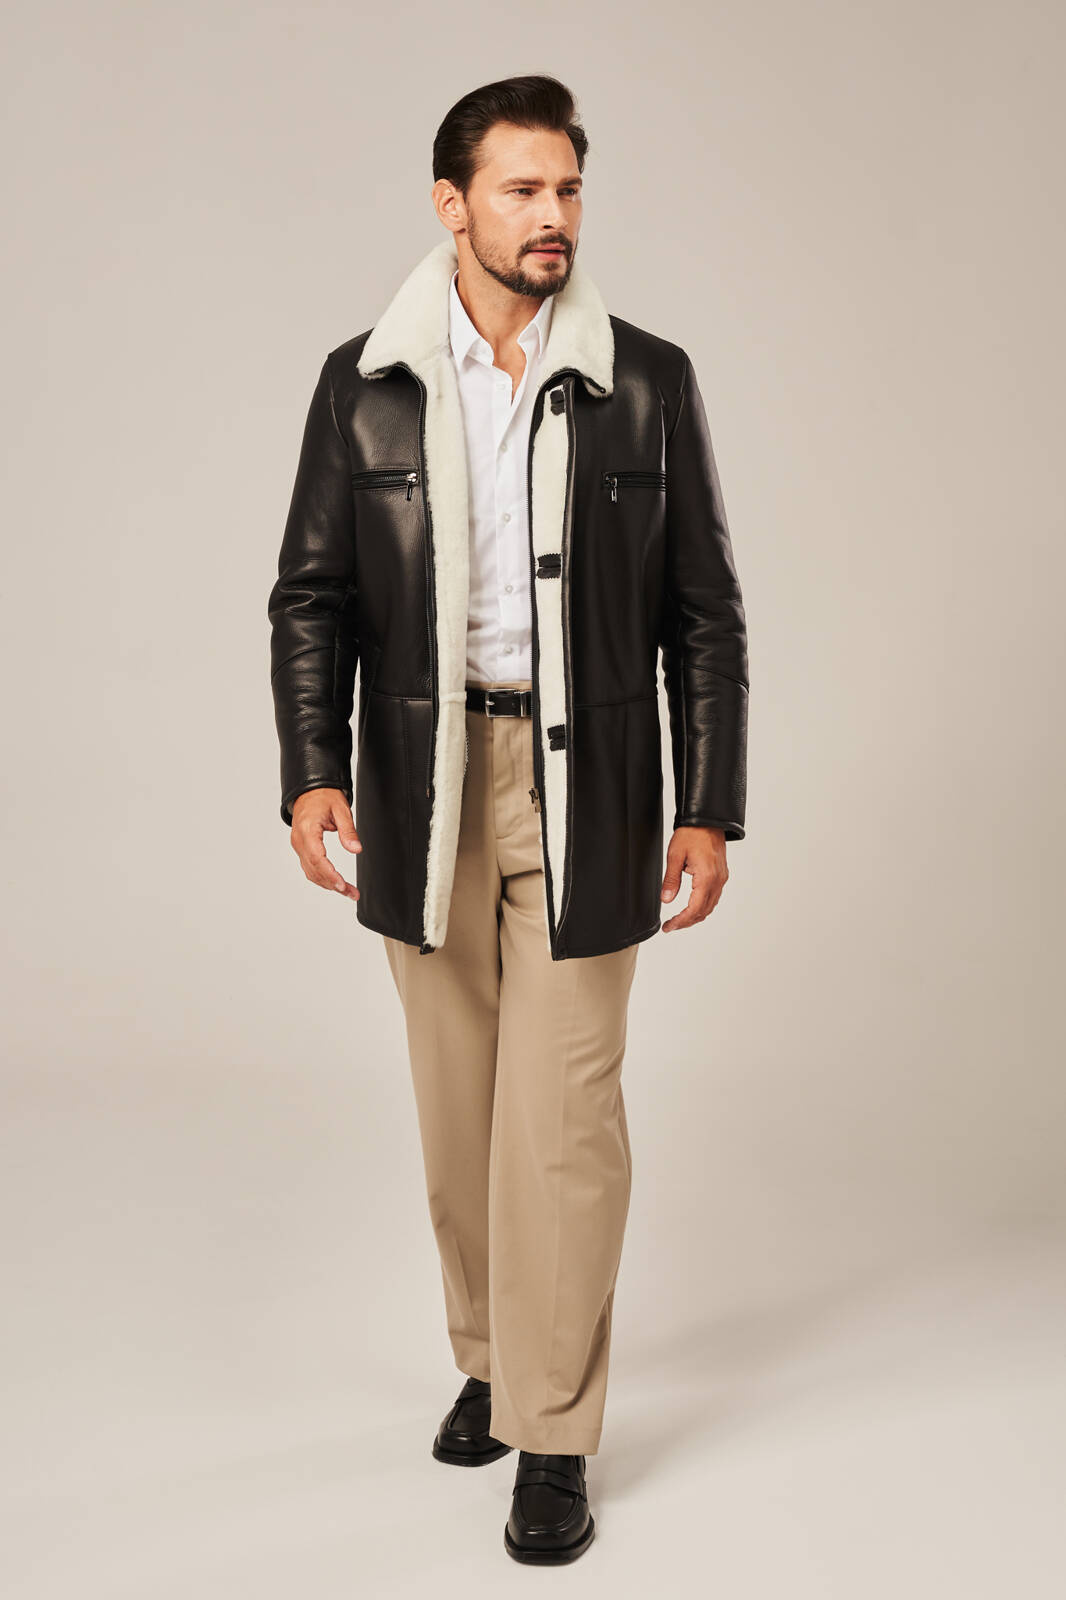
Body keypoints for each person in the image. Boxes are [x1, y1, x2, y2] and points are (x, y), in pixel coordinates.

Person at [268, 72, 749, 1565]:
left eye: (569, 190)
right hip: (424, 788)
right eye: (523, 190)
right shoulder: (362, 382)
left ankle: (553, 1429)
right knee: (460, 1110)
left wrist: (710, 801)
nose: (554, 218)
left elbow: (704, 613)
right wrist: (311, 768)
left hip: (587, 788)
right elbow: (310, 595)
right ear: (452, 204)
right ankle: (488, 1354)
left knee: (564, 1123)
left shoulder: (644, 380)